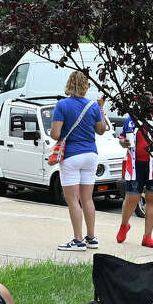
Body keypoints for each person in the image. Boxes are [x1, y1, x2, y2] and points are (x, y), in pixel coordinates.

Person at [50, 71, 108, 251]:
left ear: (69, 84)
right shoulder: (92, 106)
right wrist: (101, 108)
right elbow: (101, 130)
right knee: (87, 198)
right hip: (91, 155)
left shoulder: (62, 105)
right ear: (85, 86)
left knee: (73, 200)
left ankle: (77, 240)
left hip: (71, 156)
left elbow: (55, 134)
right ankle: (91, 237)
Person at [115, 113, 153, 248]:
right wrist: (122, 142)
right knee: (132, 198)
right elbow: (123, 137)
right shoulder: (132, 119)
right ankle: (124, 225)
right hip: (135, 165)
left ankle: (147, 236)